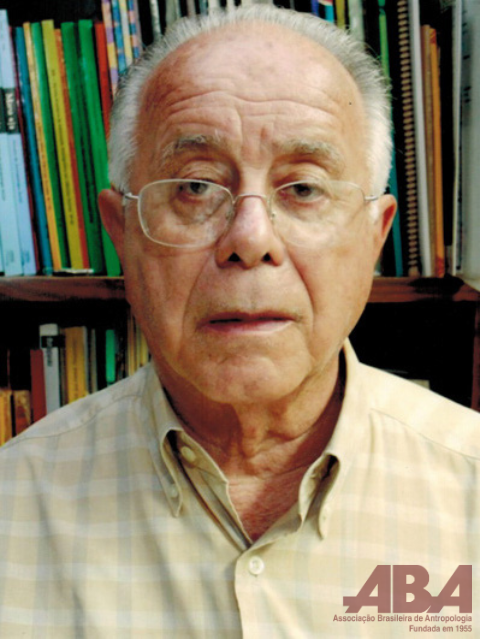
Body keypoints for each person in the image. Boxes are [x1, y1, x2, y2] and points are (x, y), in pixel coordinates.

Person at [0, 6, 479, 638]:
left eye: (303, 188)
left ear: (374, 235)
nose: (250, 240)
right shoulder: (13, 505)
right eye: (196, 186)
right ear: (123, 232)